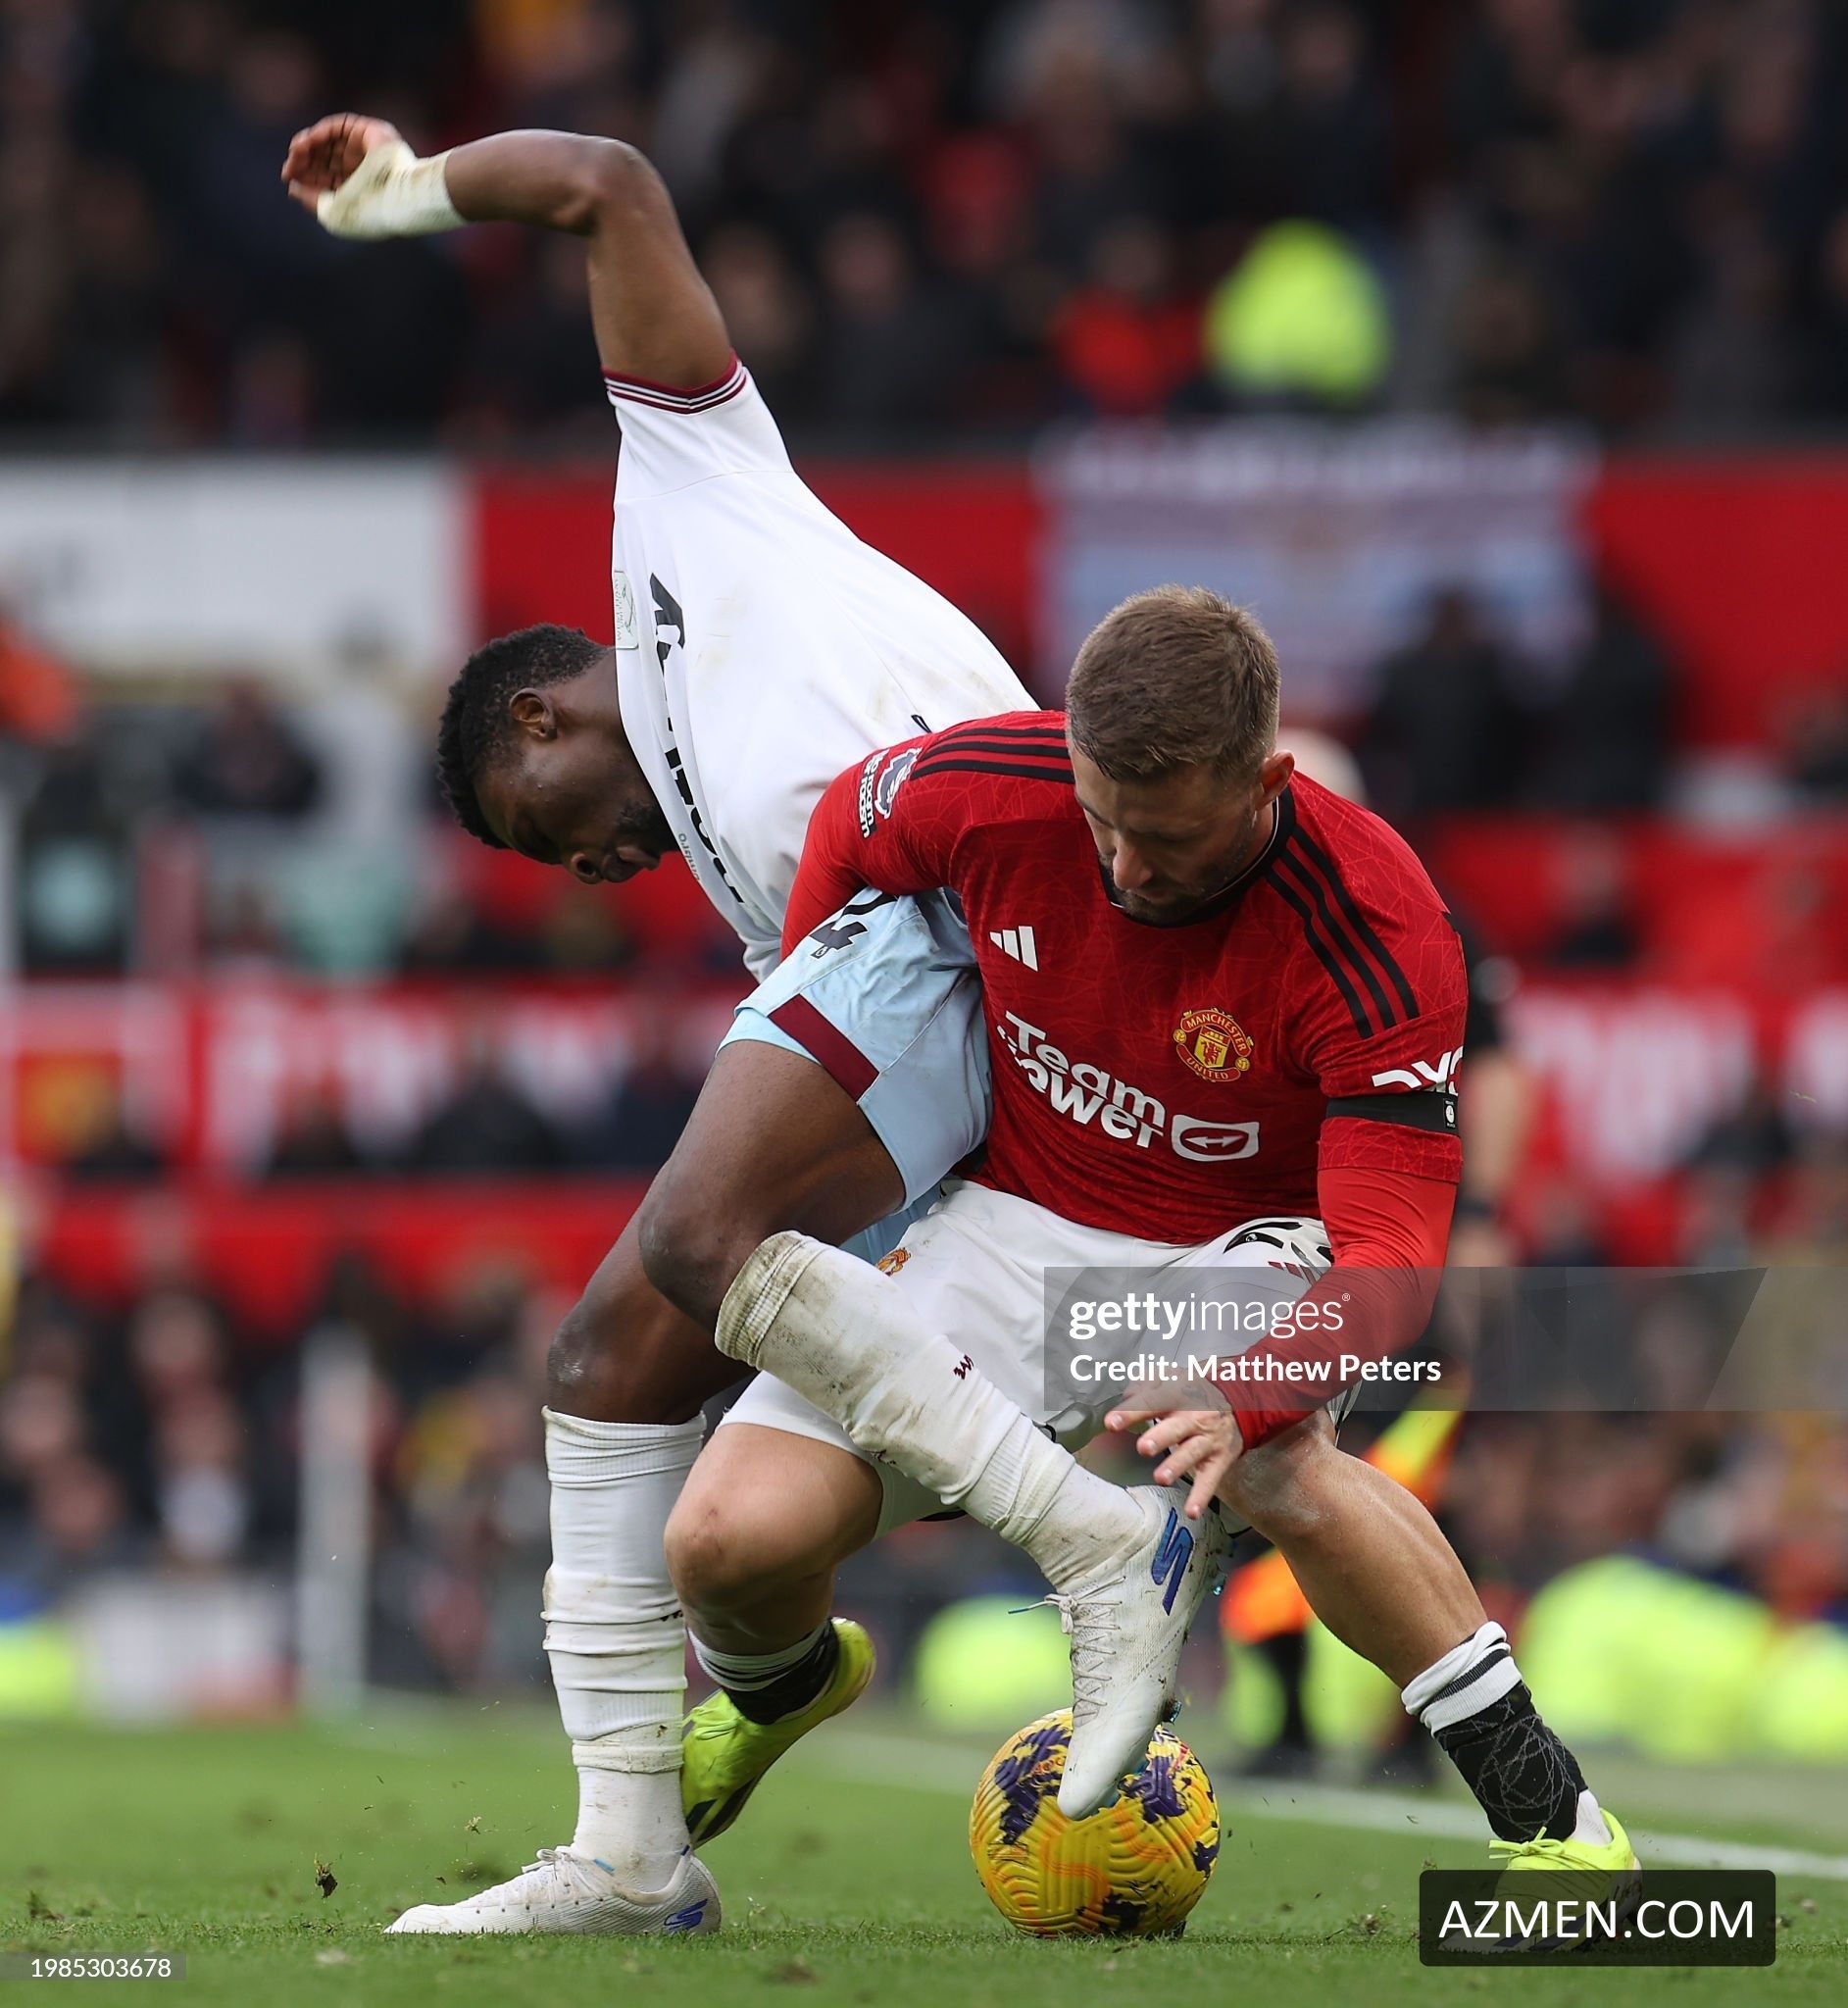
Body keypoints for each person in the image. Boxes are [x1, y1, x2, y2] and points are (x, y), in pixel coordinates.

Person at [279, 111, 1033, 1935]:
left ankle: (1079, 1542)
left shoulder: (691, 486)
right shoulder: (739, 875)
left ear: (540, 717)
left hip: (985, 924)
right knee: (613, 1379)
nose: (590, 865)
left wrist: (400, 197)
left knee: (668, 1276)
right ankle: (639, 1839)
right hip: (945, 994)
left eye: (547, 825)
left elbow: (604, 182)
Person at [643, 587, 1637, 1891]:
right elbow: (845, 826)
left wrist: (1251, 1393)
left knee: (1270, 1462)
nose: (1124, 867)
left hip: (1246, 1240)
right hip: (1010, 1223)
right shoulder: (983, 786)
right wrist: (820, 1052)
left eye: (1166, 837)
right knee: (722, 1543)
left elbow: (1390, 1264)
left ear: (1266, 782)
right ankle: (785, 1687)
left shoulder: (1382, 925)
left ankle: (1558, 1827)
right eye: (1101, 820)